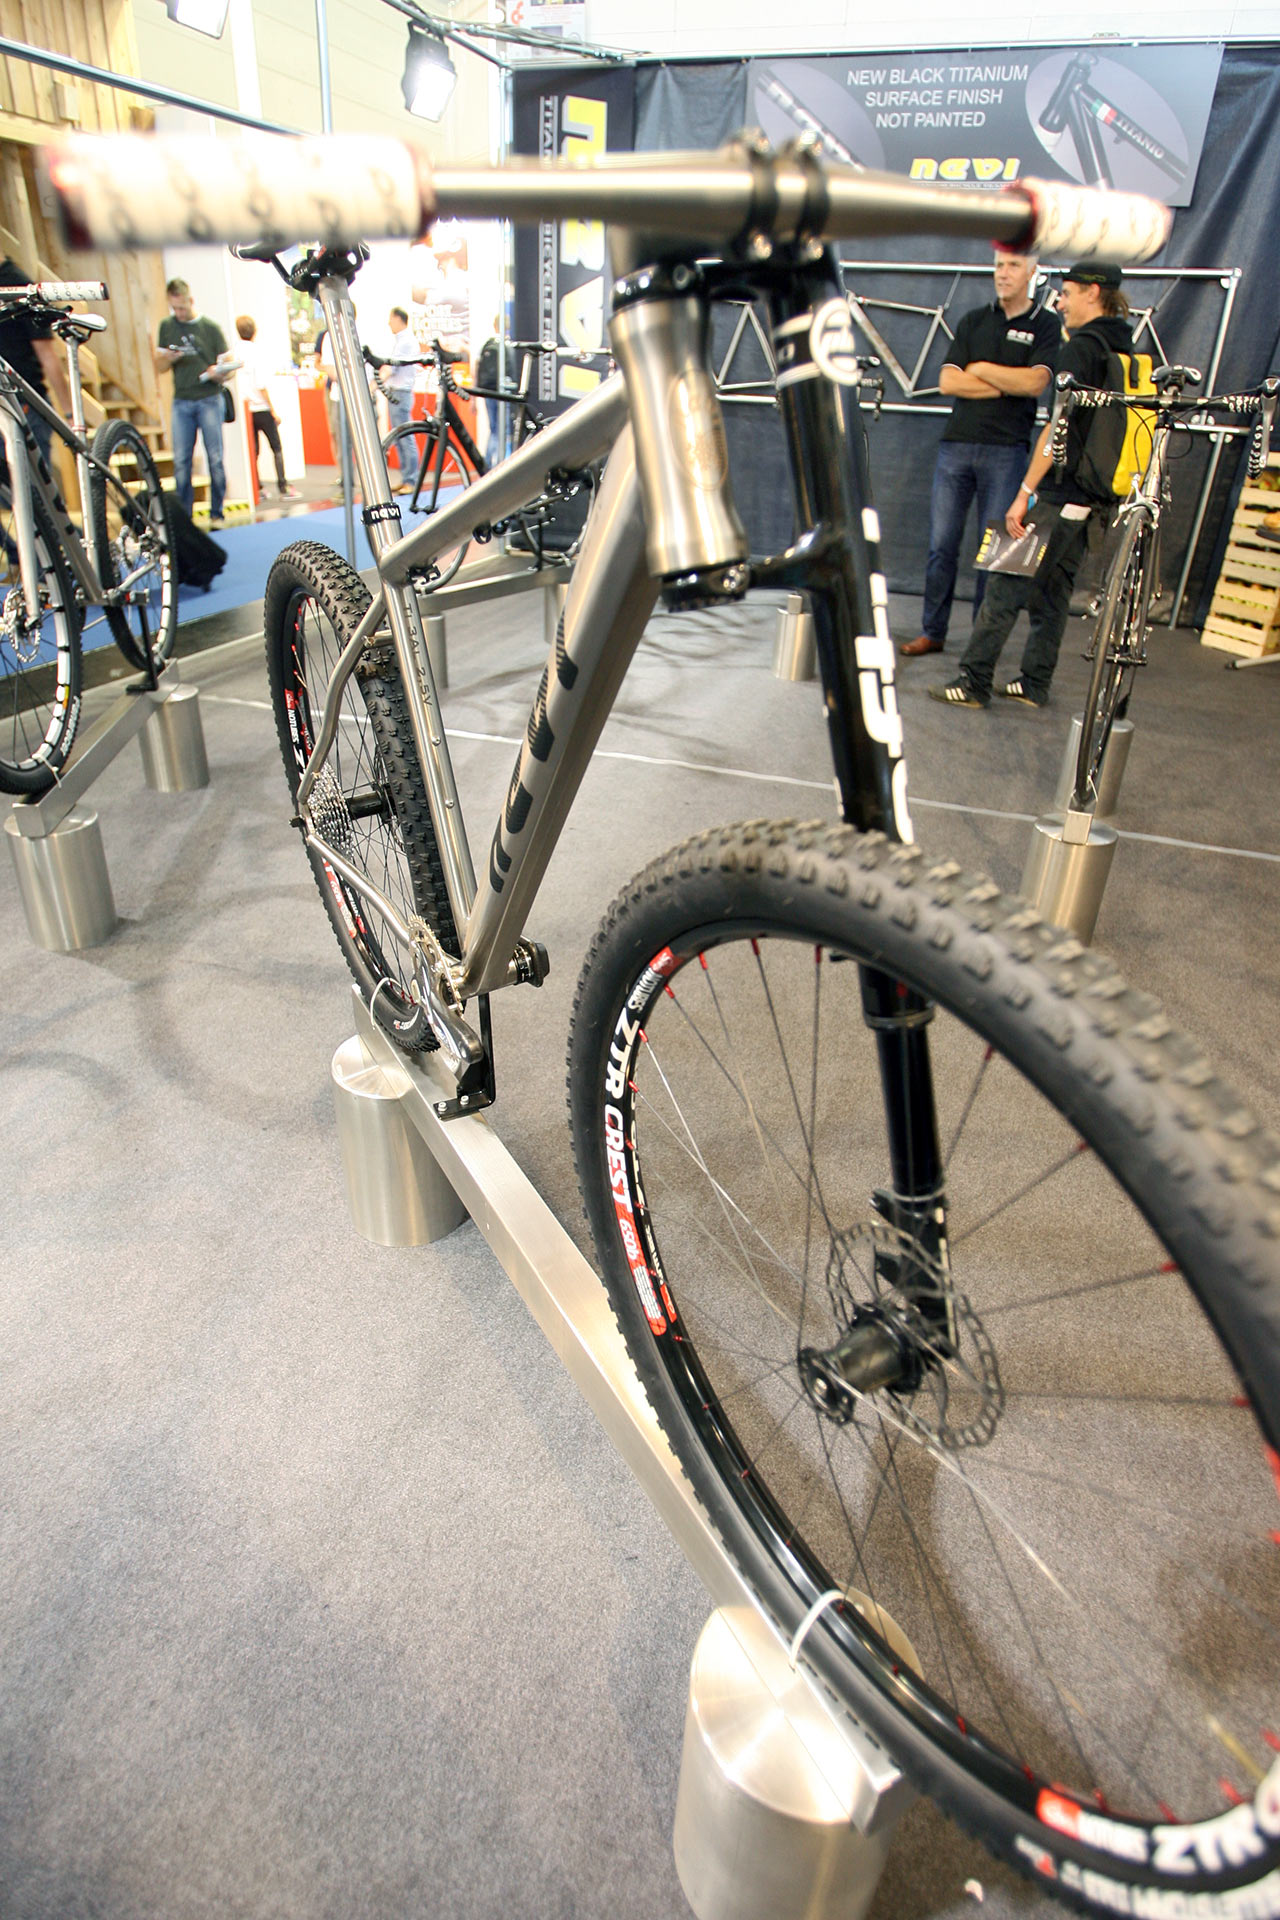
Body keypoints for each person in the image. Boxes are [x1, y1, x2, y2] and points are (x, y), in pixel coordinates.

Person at [929, 263, 1135, 711]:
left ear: (1093, 293)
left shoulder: (1080, 349)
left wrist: (1023, 494)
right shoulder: (1123, 345)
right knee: (1053, 591)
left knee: (1004, 580)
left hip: (1059, 489)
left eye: (1068, 293)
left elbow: (1058, 428)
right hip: (1093, 496)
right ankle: (1034, 682)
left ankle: (974, 681)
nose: (1060, 302)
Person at [900, 252, 1059, 658]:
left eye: (1013, 266)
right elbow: (948, 381)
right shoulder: (974, 320)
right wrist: (1007, 382)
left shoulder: (1045, 324)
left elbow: (1035, 383)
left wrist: (982, 367)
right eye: (999, 266)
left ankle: (981, 644)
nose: (1003, 274)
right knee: (941, 546)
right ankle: (932, 631)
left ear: (1032, 273)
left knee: (997, 553)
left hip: (1007, 450)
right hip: (956, 446)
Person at [155, 278, 233, 527]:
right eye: (174, 308)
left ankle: (217, 513)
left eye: (182, 307)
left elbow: (229, 369)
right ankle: (185, 519)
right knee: (181, 461)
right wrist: (169, 358)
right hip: (182, 401)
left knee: (215, 458)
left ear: (191, 300)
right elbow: (159, 366)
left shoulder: (210, 328)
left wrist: (217, 372)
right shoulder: (167, 326)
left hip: (209, 398)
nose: (178, 313)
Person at [0, 254, 73, 473]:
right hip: (4, 403)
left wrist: (70, 414)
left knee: (31, 487)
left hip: (25, 403)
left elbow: (47, 354)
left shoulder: (19, 284)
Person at [235, 316, 298, 502]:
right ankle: (283, 486)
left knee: (253, 451)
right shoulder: (256, 353)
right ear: (254, 331)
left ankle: (258, 488)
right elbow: (261, 385)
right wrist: (273, 410)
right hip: (261, 407)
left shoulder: (235, 353)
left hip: (247, 410)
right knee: (276, 447)